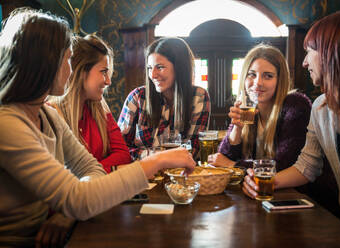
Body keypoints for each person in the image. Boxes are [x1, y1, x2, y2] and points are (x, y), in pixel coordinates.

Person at [0, 8, 195, 247]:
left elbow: (91, 169)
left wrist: (74, 202)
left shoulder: (47, 115)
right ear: (44, 62)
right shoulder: (6, 123)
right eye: (67, 59)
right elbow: (78, 199)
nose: (70, 70)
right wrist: (158, 160)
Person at [243, 10, 340, 241]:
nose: (303, 62)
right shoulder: (321, 106)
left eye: (309, 52)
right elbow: (307, 166)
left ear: (334, 54)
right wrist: (264, 182)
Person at [208, 44, 311, 172]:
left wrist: (234, 166)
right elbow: (223, 158)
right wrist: (237, 129)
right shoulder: (247, 107)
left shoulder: (296, 105)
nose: (258, 83)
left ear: (280, 80)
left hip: (296, 191)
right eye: (252, 74)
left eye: (268, 76)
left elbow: (285, 164)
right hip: (259, 189)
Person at [117, 37, 211, 160]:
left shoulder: (199, 97)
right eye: (150, 68)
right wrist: (157, 158)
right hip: (144, 175)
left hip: (181, 175)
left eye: (160, 67)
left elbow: (194, 149)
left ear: (179, 68)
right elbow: (119, 148)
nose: (153, 75)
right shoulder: (138, 97)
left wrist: (152, 156)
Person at [49, 34, 131, 174]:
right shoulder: (52, 112)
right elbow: (64, 174)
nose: (108, 81)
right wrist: (101, 169)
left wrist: (92, 172)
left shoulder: (99, 105)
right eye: (103, 72)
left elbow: (123, 154)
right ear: (81, 72)